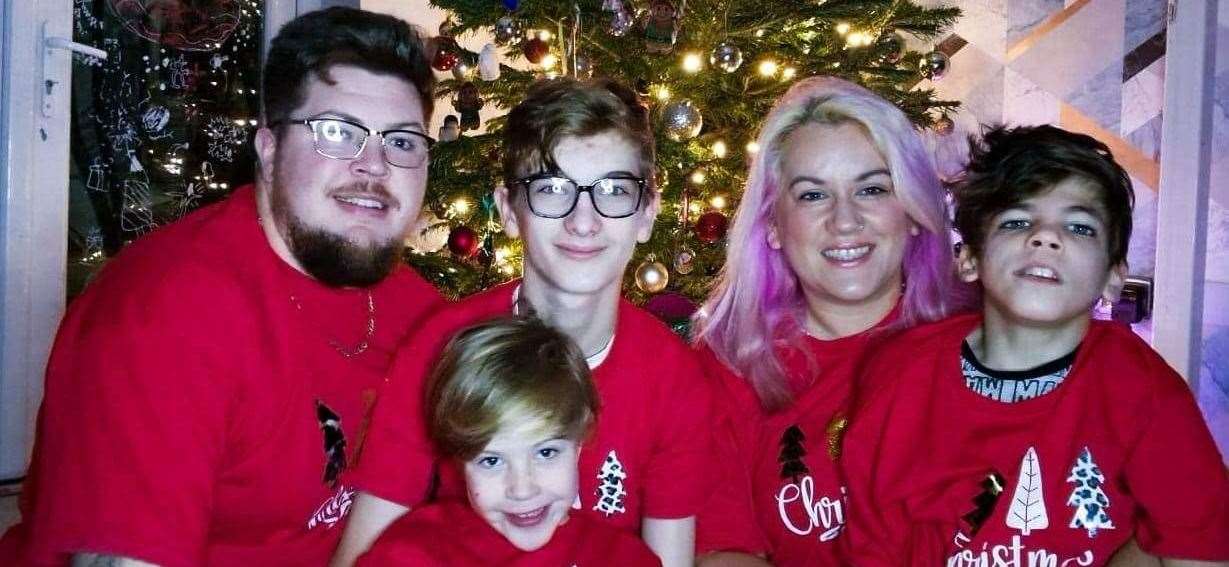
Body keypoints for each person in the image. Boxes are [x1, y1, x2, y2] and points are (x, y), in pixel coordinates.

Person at [1, 7, 442, 566]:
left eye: (402, 142)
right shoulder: (166, 316)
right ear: (269, 147)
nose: (374, 165)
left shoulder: (421, 312)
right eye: (337, 132)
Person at [333, 78, 713, 567]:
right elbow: (367, 548)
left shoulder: (673, 377)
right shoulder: (442, 346)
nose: (583, 220)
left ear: (646, 215)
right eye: (552, 189)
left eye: (615, 190)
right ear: (510, 210)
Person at [841, 124, 1229, 566]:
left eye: (1079, 227)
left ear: (1112, 278)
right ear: (969, 257)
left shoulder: (1145, 391)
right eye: (1018, 221)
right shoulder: (900, 373)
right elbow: (872, 543)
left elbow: (1199, 549)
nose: (1046, 237)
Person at [690, 76, 965, 566]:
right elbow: (723, 552)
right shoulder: (728, 364)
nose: (845, 221)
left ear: (914, 211)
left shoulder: (980, 340)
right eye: (813, 195)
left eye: (873, 189)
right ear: (773, 226)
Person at [356, 316, 660, 566]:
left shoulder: (624, 558)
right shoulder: (414, 553)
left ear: (578, 442)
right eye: (491, 460)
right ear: (461, 460)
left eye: (546, 452)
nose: (522, 488)